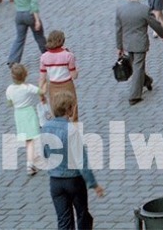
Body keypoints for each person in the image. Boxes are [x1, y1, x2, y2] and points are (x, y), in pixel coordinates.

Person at [41, 92, 104, 229]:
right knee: (82, 215)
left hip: (55, 182)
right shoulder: (72, 131)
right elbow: (82, 162)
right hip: (74, 180)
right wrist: (94, 184)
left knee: (64, 220)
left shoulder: (45, 128)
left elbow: (45, 154)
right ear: (69, 109)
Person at [116, 0, 163, 105]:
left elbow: (118, 30)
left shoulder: (120, 10)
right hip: (140, 43)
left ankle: (146, 81)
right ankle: (134, 96)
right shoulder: (145, 9)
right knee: (138, 67)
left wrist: (119, 46)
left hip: (128, 44)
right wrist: (162, 35)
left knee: (136, 66)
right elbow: (155, 24)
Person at [7, 0, 47, 65]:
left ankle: (13, 59)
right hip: (29, 14)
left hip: (19, 15)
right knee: (39, 36)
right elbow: (34, 5)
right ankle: (47, 54)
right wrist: (37, 20)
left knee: (19, 38)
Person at [6, 63, 41, 173]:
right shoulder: (28, 87)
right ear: (25, 75)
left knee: (27, 138)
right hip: (29, 113)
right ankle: (30, 164)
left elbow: (9, 103)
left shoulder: (9, 89)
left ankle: (33, 156)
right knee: (30, 139)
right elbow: (41, 91)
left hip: (18, 114)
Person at [39, 30, 79, 122]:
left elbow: (42, 78)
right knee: (73, 111)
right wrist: (77, 70)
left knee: (56, 112)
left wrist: (41, 93)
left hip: (53, 87)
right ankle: (75, 129)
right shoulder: (68, 55)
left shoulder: (44, 57)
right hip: (67, 85)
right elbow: (74, 76)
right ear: (62, 41)